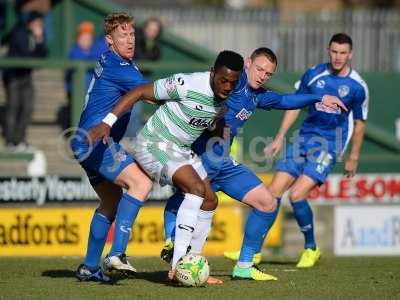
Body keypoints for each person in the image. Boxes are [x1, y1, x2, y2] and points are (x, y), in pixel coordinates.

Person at [160, 47, 348, 281]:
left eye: (268, 74)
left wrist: (319, 97)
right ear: (247, 63)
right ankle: (171, 243)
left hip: (224, 165)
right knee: (183, 199)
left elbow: (286, 100)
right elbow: (201, 85)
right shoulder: (232, 83)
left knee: (268, 203)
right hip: (199, 160)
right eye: (259, 69)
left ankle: (244, 266)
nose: (262, 76)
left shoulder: (257, 95)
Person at [86, 50, 244, 284]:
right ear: (212, 72)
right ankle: (178, 267)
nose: (228, 86)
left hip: (180, 149)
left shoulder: (224, 99)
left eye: (233, 82)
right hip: (153, 143)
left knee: (210, 200)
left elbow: (215, 118)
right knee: (196, 190)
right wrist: (107, 123)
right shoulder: (187, 84)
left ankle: (194, 264)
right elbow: (139, 91)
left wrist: (223, 131)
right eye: (223, 80)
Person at [226, 33, 369, 270]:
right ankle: (253, 252)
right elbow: (294, 104)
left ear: (350, 54)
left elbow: (360, 123)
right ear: (328, 50)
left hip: (330, 143)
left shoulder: (357, 86)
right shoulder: (314, 74)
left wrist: (353, 157)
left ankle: (311, 248)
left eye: (343, 53)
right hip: (303, 138)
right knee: (271, 195)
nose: (338, 57)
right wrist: (280, 137)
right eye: (334, 51)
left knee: (297, 195)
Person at [70, 12, 153, 283]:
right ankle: (117, 253)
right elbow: (153, 96)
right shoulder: (122, 68)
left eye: (131, 34)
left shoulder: (111, 60)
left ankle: (89, 267)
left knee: (110, 201)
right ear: (109, 40)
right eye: (122, 35)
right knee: (141, 184)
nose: (129, 40)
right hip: (97, 141)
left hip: (85, 141)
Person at [2, 11, 47, 151]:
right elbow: (26, 55)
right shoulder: (19, 32)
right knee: (13, 106)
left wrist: (39, 40)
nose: (39, 26)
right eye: (37, 23)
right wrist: (37, 40)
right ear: (31, 23)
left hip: (26, 75)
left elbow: (42, 55)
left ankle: (20, 139)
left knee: (28, 107)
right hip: (13, 75)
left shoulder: (38, 35)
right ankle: (10, 141)